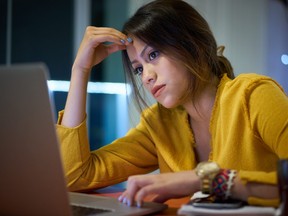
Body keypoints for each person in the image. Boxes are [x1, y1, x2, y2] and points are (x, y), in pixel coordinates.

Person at [56, 0, 288, 209]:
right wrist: (80, 71)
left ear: (192, 45)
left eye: (153, 55)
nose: (146, 76)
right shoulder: (159, 124)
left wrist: (204, 180)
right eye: (138, 68)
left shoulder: (253, 95)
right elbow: (73, 177)